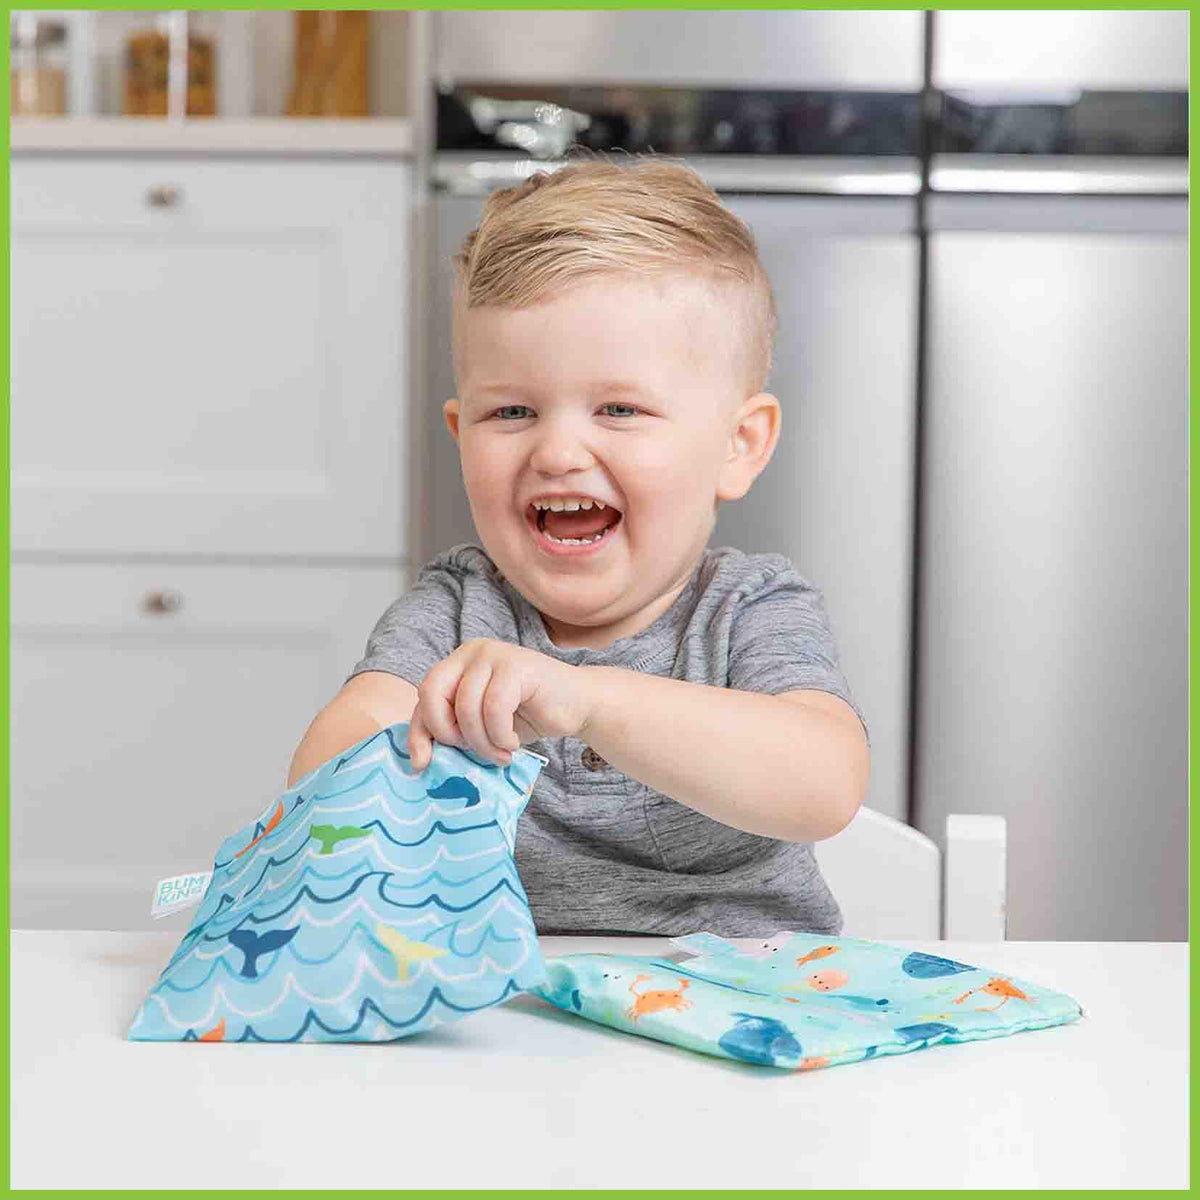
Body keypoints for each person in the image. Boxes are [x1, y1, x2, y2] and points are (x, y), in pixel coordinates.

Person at [287, 154, 870, 937]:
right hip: (504, 1029)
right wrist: (407, 740)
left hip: (733, 1027)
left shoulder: (748, 610)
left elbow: (823, 784)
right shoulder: (457, 611)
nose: (558, 451)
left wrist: (589, 701)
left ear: (739, 445)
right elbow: (321, 790)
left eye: (620, 410)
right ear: (461, 436)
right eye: (513, 413)